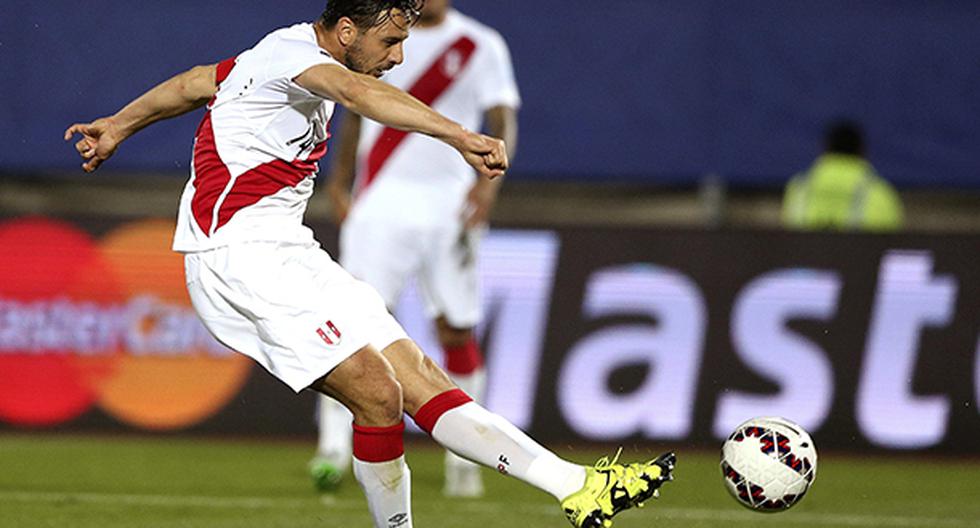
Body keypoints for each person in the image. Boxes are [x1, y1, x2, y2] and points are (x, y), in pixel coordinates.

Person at [64, 2, 674, 527]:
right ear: (348, 30)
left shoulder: (271, 57)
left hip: (290, 254)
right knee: (377, 393)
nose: (400, 56)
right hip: (237, 259)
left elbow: (197, 82)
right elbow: (358, 93)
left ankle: (576, 486)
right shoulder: (292, 56)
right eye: (392, 40)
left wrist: (118, 125)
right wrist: (459, 135)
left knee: (420, 376)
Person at [309, 0, 519, 498]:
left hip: (449, 208)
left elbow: (501, 116)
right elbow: (357, 104)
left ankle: (465, 459)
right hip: (379, 204)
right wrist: (341, 180)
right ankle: (332, 449)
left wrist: (487, 189)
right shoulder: (374, 37)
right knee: (352, 327)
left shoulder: (480, 43)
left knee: (456, 326)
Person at [783, 119, 904, 231]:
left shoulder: (799, 186)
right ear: (862, 151)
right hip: (860, 253)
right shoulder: (880, 191)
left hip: (804, 254)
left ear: (825, 149)